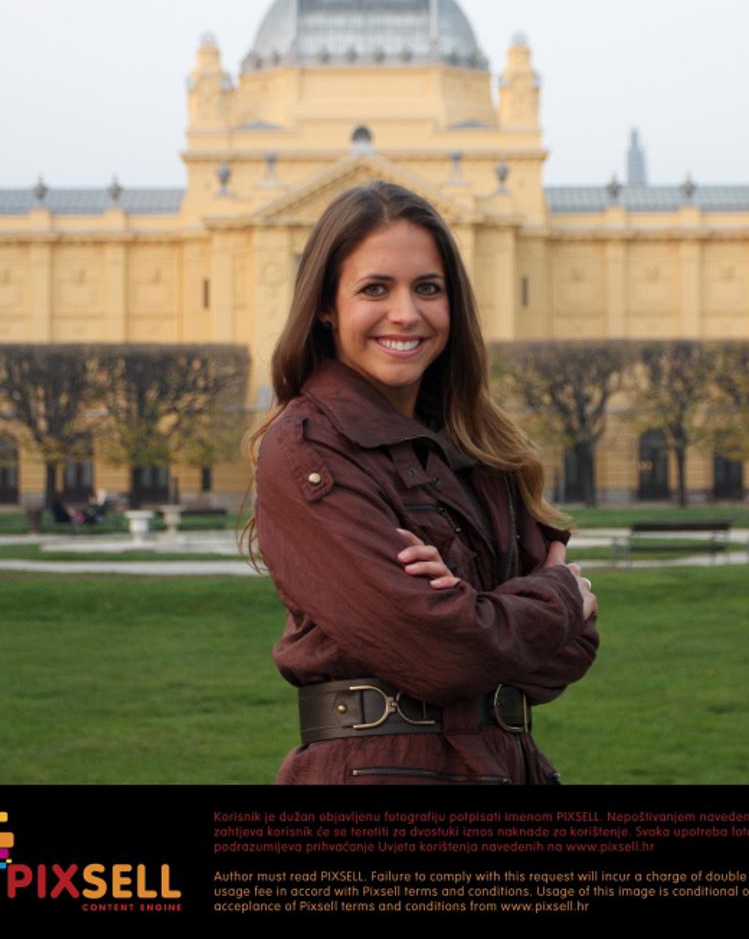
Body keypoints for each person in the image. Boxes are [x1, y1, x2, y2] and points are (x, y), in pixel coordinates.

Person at [243, 181, 598, 785]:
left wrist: (473, 612)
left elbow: (569, 654)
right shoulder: (308, 447)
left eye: (428, 288)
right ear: (326, 306)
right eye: (375, 289)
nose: (406, 313)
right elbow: (443, 653)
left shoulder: (481, 446)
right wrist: (556, 597)